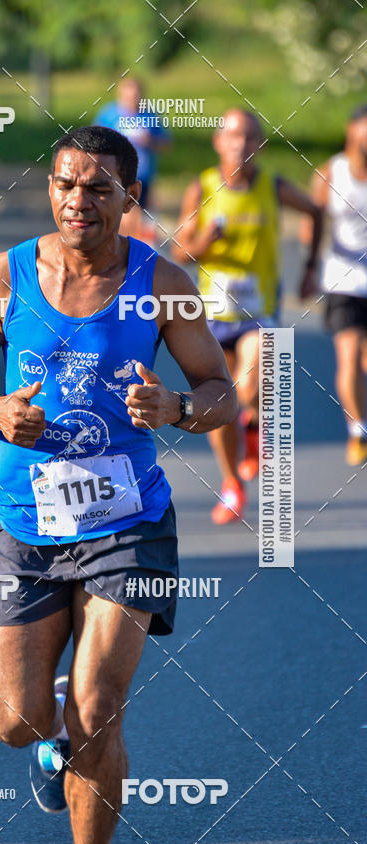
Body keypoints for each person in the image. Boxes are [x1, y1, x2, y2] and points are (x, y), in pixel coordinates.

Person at [0, 125, 236, 844]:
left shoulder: (162, 280)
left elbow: (221, 392)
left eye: (99, 188)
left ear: (129, 197)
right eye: (66, 185)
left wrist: (177, 407)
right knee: (15, 722)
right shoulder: (4, 275)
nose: (79, 201)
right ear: (50, 189)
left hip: (126, 523)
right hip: (24, 526)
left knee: (99, 706)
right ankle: (52, 741)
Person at [172, 108, 323, 524]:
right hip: (213, 315)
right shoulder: (202, 188)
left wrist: (311, 267)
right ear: (219, 142)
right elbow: (179, 251)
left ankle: (252, 426)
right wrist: (204, 240)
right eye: (233, 136)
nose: (241, 144)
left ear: (260, 145)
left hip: (259, 313)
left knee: (249, 381)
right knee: (221, 400)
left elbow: (316, 211)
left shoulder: (273, 186)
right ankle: (231, 482)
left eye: (250, 137)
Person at [300, 104, 367, 465]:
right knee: (350, 354)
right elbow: (312, 219)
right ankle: (358, 431)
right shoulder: (331, 173)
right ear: (352, 130)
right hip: (344, 280)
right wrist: (311, 266)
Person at [94, 78, 171, 243]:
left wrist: (150, 141)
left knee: (146, 222)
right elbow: (95, 144)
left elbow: (165, 144)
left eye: (136, 96)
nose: (133, 100)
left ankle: (135, 251)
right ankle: (119, 248)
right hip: (117, 177)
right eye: (129, 96)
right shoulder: (109, 115)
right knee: (125, 217)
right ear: (120, 95)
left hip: (144, 177)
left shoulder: (149, 115)